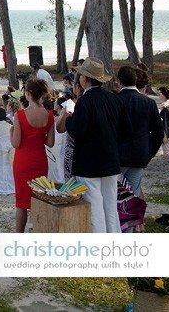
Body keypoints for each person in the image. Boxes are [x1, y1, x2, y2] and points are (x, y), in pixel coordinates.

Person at [67, 57, 130, 233]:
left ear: (85, 79)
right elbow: (126, 130)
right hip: (110, 159)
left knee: (94, 207)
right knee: (110, 206)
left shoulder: (85, 101)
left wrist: (70, 120)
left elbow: (77, 131)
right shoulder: (114, 99)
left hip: (89, 163)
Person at [11, 79, 55, 233]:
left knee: (22, 203)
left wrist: (11, 132)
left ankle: (19, 235)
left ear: (28, 94)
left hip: (23, 161)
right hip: (40, 160)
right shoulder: (49, 115)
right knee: (39, 198)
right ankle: (39, 230)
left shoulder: (20, 115)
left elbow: (16, 143)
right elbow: (50, 143)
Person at [116, 66, 163, 197]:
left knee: (115, 195)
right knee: (133, 195)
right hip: (139, 154)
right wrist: (148, 152)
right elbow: (158, 133)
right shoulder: (149, 102)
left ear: (119, 81)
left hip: (118, 155)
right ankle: (132, 216)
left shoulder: (115, 100)